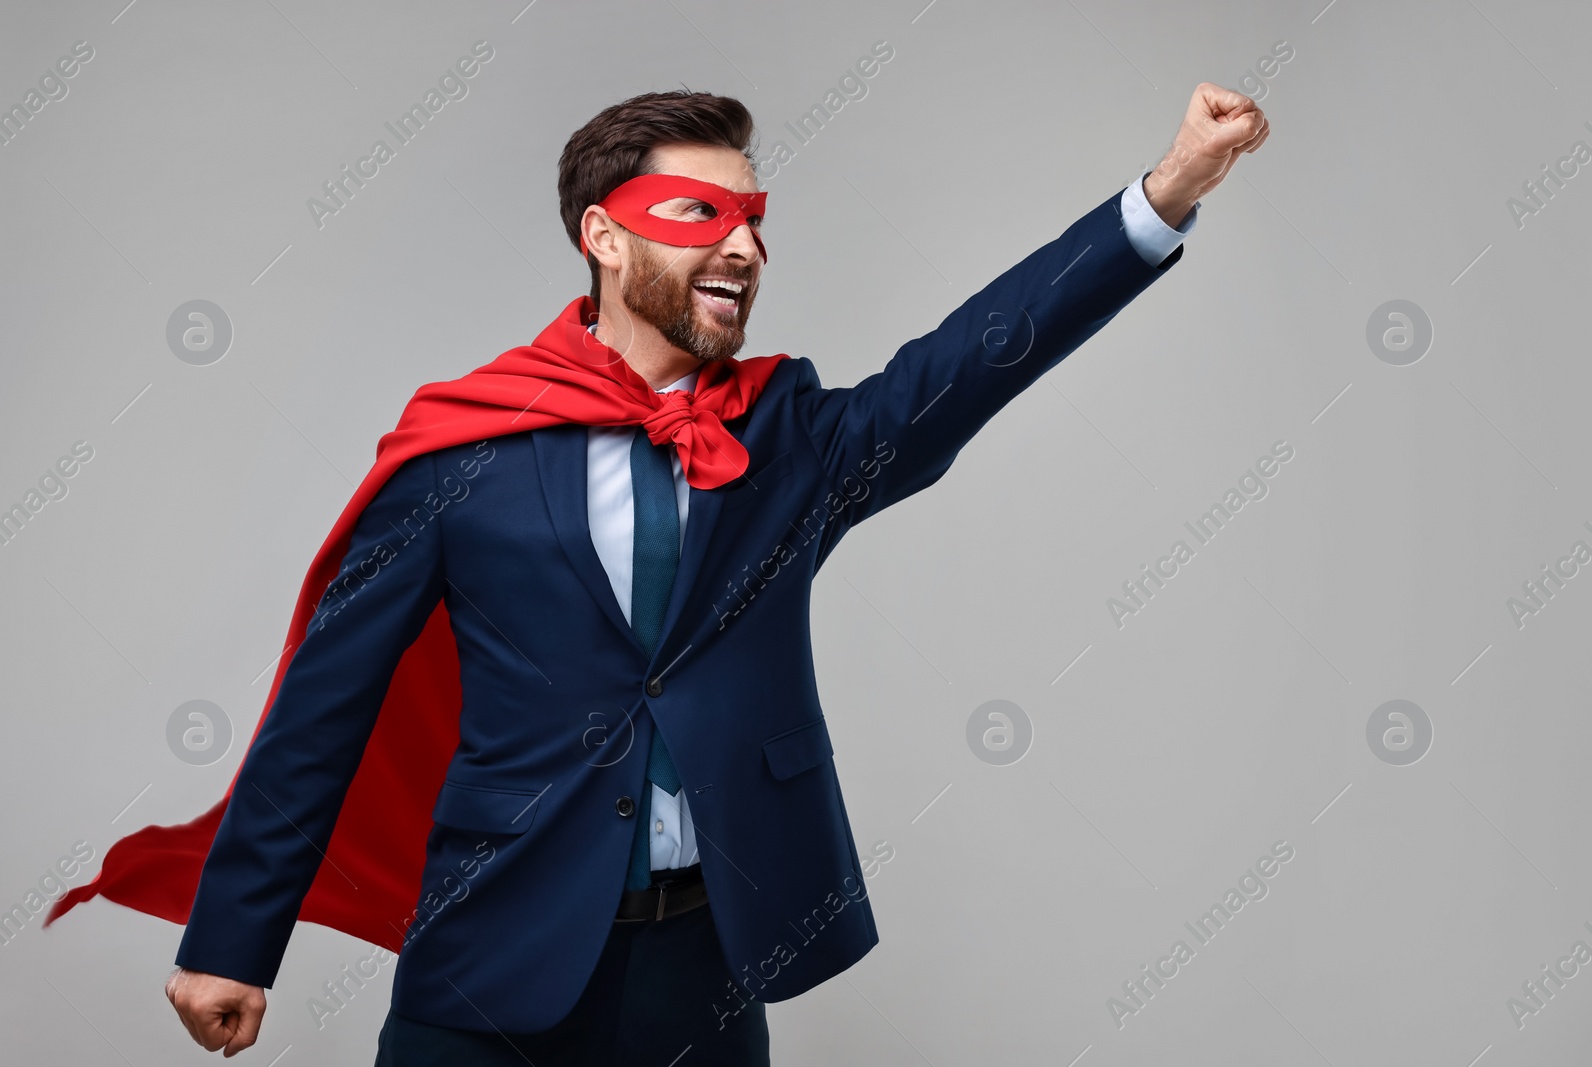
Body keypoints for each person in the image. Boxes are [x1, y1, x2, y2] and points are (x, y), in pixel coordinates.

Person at [156, 85, 1267, 1064]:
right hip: (490, 956)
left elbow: (971, 357)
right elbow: (322, 708)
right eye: (700, 214)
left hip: (707, 964)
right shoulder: (462, 450)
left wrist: (1165, 192)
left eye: (754, 219)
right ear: (601, 234)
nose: (742, 246)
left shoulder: (787, 435)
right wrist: (231, 941)